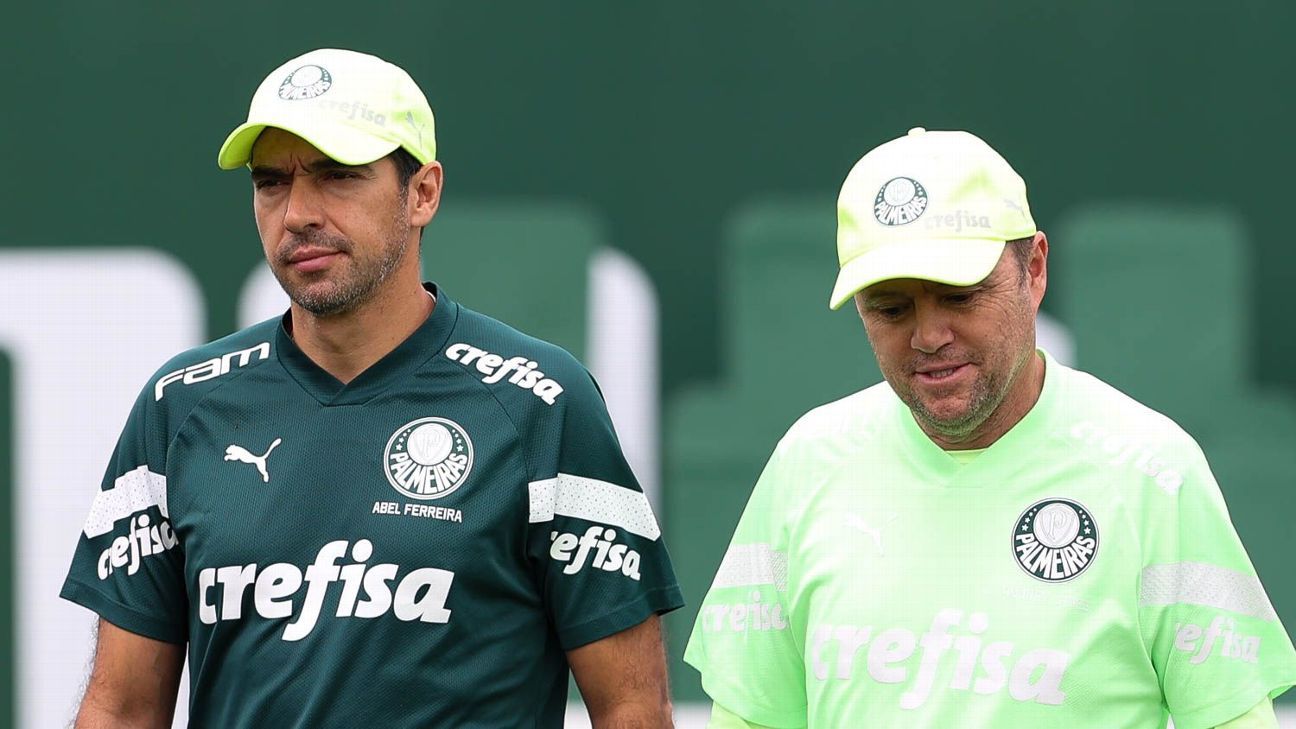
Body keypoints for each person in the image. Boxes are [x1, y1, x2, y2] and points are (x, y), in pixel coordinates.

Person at [61, 47, 682, 728]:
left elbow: (631, 707)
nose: (297, 212)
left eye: (337, 176)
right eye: (271, 182)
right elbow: (120, 709)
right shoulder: (179, 406)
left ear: (423, 192)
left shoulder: (542, 401)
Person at [684, 127, 1296, 728]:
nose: (928, 336)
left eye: (959, 295)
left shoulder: (1155, 472)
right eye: (891, 308)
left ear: (1034, 269)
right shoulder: (806, 462)